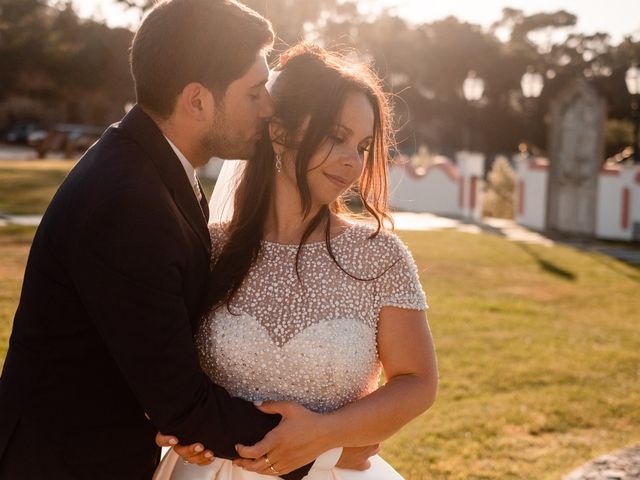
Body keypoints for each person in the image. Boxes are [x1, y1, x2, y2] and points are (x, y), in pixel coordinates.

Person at [0, 1, 368, 478]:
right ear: (197, 100)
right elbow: (181, 401)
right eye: (254, 93)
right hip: (61, 463)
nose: (268, 107)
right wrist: (324, 447)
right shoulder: (127, 201)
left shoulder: (151, 166)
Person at [155, 43, 438, 480]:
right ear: (280, 131)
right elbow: (165, 372)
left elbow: (417, 382)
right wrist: (179, 431)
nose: (352, 160)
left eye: (363, 146)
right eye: (336, 135)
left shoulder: (380, 256)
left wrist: (324, 436)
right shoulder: (209, 248)